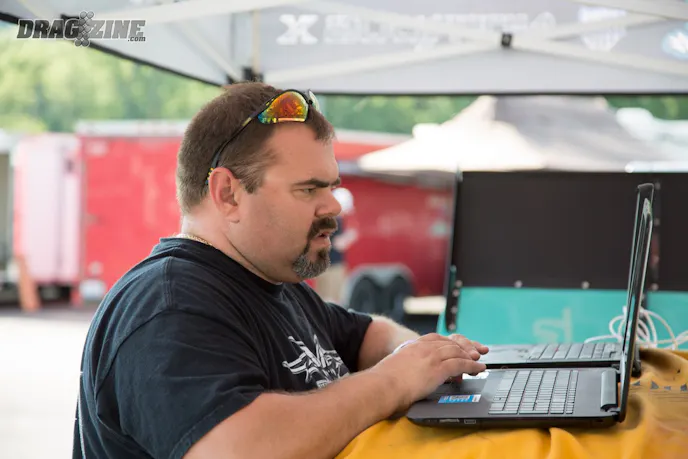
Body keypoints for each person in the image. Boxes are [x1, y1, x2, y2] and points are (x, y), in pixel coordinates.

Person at [72, 82, 489, 459]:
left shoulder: (276, 285)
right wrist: (394, 381)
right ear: (228, 194)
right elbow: (237, 449)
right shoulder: (168, 304)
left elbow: (367, 335)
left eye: (331, 186)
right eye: (308, 189)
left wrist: (425, 357)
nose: (334, 206)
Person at [316, 187, 359, 303]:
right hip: (333, 267)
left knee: (322, 300)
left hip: (321, 266)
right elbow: (338, 244)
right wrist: (351, 236)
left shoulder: (323, 219)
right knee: (334, 301)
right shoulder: (336, 220)